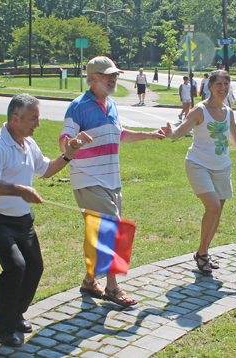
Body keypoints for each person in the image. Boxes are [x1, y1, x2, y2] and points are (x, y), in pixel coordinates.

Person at [0, 93, 91, 347]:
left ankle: (15, 314)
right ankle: (2, 326)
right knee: (16, 267)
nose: (38, 124)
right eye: (33, 119)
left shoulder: (28, 144)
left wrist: (69, 154)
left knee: (35, 267)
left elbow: (46, 170)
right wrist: (20, 190)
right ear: (15, 119)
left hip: (22, 220)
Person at [59, 56, 165, 307]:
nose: (114, 78)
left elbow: (119, 135)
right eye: (108, 75)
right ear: (92, 78)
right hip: (88, 178)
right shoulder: (78, 106)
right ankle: (112, 288)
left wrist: (148, 135)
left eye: (115, 74)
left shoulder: (112, 104)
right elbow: (65, 139)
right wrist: (72, 144)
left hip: (112, 181)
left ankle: (88, 282)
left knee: (102, 234)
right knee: (113, 229)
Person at [161, 70, 236, 273]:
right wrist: (169, 133)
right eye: (219, 84)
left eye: (226, 83)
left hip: (222, 167)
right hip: (198, 164)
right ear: (210, 86)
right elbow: (179, 132)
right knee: (214, 207)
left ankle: (204, 253)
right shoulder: (200, 110)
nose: (223, 88)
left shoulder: (228, 111)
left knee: (216, 212)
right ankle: (201, 254)